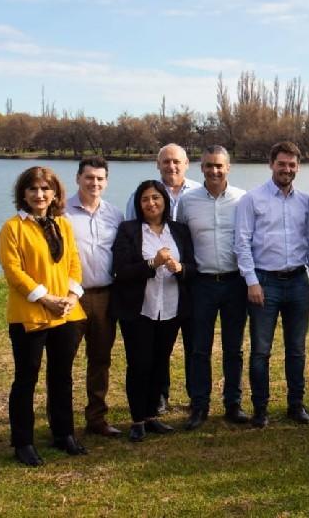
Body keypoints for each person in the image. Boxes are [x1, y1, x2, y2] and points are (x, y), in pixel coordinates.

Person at [0, 166, 88, 466]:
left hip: (65, 313)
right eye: (33, 189)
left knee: (62, 376)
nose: (40, 195)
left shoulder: (63, 224)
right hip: (30, 315)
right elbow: (14, 273)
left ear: (55, 193)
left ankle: (64, 434)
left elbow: (74, 263)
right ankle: (22, 442)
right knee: (26, 378)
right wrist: (46, 298)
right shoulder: (12, 228)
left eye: (45, 189)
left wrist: (71, 297)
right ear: (23, 194)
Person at [235, 141, 309, 428]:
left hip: (297, 281)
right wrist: (252, 282)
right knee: (261, 350)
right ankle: (260, 409)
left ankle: (296, 405)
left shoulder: (305, 202)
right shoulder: (252, 200)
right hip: (264, 282)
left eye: (292, 165)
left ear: (298, 167)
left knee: (296, 349)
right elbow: (242, 243)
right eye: (281, 163)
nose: (287, 169)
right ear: (271, 164)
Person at [111, 180, 196, 442]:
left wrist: (180, 269)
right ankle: (137, 420)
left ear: (165, 202)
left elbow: (193, 266)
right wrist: (152, 263)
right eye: (145, 199)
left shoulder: (179, 230)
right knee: (139, 363)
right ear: (139, 203)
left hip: (170, 308)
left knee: (160, 362)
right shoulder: (129, 230)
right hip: (140, 309)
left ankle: (151, 416)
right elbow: (120, 270)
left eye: (156, 198)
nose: (151, 203)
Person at [125, 143, 201, 415]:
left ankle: (196, 395)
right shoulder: (142, 195)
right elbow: (131, 238)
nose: (171, 166)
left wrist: (182, 268)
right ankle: (159, 397)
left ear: (186, 163)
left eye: (176, 161)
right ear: (158, 165)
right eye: (166, 161)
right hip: (149, 289)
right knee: (155, 349)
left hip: (187, 284)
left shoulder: (199, 193)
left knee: (193, 344)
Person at [177, 146, 249, 430]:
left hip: (234, 282)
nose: (214, 171)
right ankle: (199, 405)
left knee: (234, 348)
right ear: (201, 168)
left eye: (219, 166)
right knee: (199, 348)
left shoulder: (243, 199)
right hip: (202, 284)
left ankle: (233, 403)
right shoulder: (188, 201)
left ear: (228, 167)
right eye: (208, 165)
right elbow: (181, 239)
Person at [66, 156, 124, 438]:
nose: (94, 183)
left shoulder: (115, 215)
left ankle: (96, 418)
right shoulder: (60, 213)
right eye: (89, 177)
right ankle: (61, 421)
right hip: (70, 297)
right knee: (63, 360)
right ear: (78, 178)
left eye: (100, 178)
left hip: (105, 297)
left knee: (100, 359)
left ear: (106, 182)